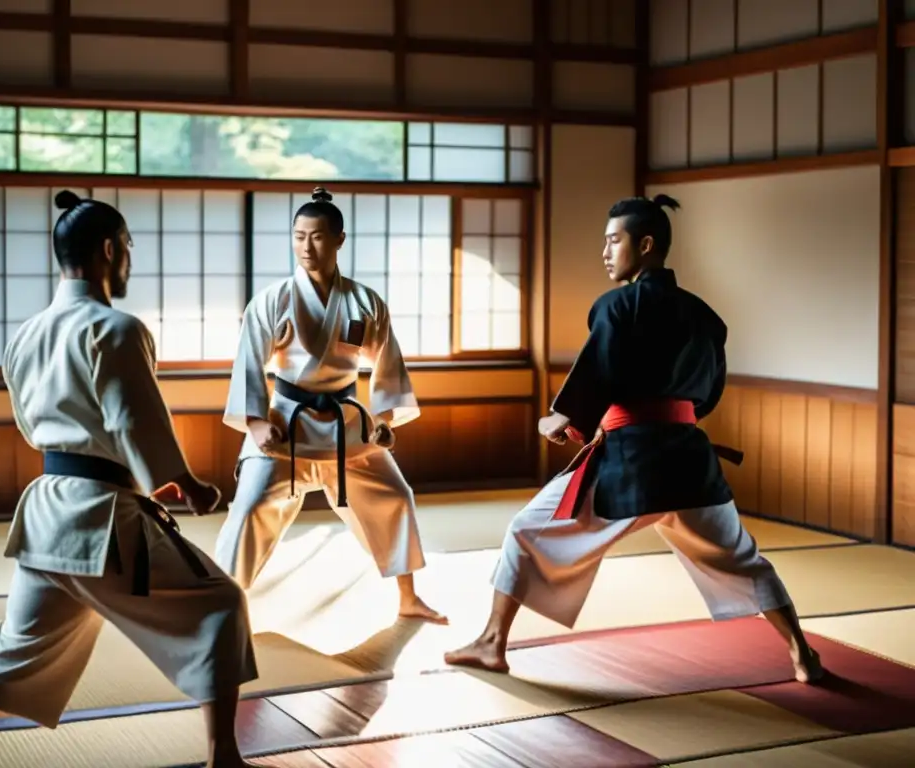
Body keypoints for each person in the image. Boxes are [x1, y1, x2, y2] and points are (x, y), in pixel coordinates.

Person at [0, 191, 261, 768]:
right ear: (109, 250)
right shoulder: (117, 329)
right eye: (128, 246)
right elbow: (135, 421)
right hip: (100, 518)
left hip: (47, 512)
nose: (130, 258)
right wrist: (185, 483)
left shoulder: (25, 334)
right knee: (221, 604)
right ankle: (223, 755)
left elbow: (35, 424)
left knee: (15, 645)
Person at [443, 194, 823, 684]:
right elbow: (705, 398)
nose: (605, 252)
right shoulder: (706, 317)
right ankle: (802, 654)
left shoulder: (616, 307)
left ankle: (493, 643)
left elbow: (597, 375)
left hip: (632, 463)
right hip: (689, 463)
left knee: (523, 529)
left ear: (645, 245)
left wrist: (561, 419)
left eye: (613, 241)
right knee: (742, 558)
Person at [216, 187, 445, 624]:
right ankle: (226, 605)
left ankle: (409, 598)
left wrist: (382, 420)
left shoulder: (364, 302)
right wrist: (255, 424)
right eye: (298, 235)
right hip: (285, 423)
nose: (306, 246)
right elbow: (248, 363)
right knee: (247, 510)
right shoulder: (273, 301)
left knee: (395, 497)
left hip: (347, 424)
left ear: (339, 239)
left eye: (317, 236)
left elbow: (386, 363)